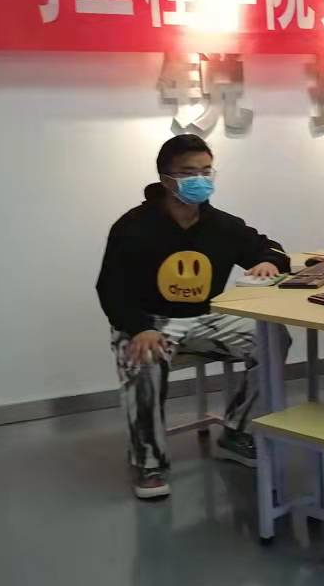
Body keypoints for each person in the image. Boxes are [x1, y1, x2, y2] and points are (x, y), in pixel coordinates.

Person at [96, 135, 290, 500]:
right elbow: (110, 290)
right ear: (166, 178)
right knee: (144, 358)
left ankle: (236, 432)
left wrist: (269, 261)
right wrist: (139, 328)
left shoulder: (222, 225)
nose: (200, 180)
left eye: (206, 171)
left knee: (272, 337)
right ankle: (149, 462)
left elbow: (269, 248)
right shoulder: (133, 227)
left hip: (205, 318)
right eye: (188, 173)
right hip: (149, 321)